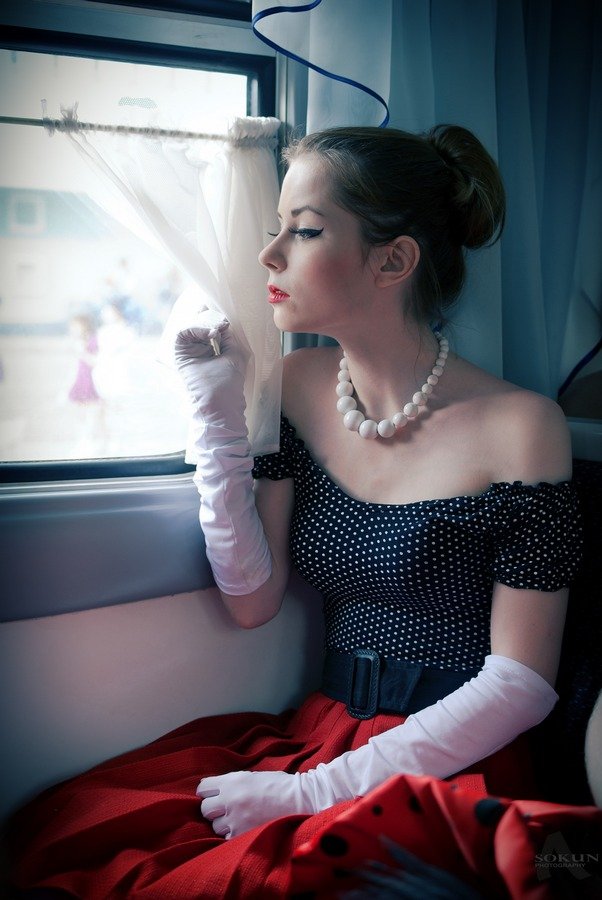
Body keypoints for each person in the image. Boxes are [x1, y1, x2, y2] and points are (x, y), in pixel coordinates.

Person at [6, 125, 590, 898]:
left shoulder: (522, 425)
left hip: (451, 757)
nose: (269, 254)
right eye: (275, 227)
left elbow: (521, 683)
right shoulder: (299, 384)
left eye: (305, 231)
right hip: (319, 730)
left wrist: (310, 794)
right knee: (76, 837)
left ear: (393, 261)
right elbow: (253, 601)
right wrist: (217, 420)